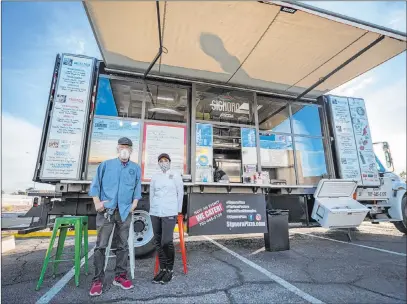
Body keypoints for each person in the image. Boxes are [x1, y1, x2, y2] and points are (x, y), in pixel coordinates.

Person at [88, 137, 142, 297]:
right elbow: (95, 185)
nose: (124, 149)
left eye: (127, 147)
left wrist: (134, 204)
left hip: (125, 211)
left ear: (131, 150)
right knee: (101, 246)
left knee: (123, 246)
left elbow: (137, 188)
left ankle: (120, 276)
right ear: (117, 148)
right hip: (107, 211)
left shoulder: (135, 168)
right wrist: (97, 202)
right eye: (122, 146)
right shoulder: (106, 165)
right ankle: (97, 280)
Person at [150, 153, 184, 284]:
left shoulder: (175, 175)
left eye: (165, 160)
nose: (163, 162)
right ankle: (162, 269)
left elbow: (180, 192)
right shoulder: (155, 176)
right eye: (161, 161)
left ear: (169, 162)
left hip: (169, 211)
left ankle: (170, 270)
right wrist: (151, 209)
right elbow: (152, 193)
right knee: (158, 242)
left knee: (166, 241)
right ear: (158, 163)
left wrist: (178, 209)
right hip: (155, 212)